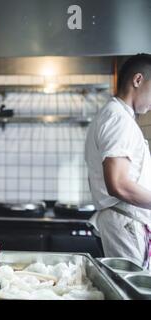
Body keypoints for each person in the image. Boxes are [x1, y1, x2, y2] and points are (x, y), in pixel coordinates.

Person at [85, 53, 151, 269]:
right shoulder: (118, 119)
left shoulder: (119, 116)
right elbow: (119, 184)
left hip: (126, 222)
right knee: (133, 291)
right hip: (126, 223)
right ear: (138, 80)